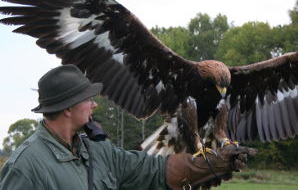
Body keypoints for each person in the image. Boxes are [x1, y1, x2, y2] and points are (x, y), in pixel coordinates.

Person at [0, 64, 256, 190]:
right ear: (68, 108)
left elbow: (154, 170)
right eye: (88, 100)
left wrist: (211, 163)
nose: (94, 105)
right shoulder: (27, 166)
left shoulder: (98, 152)